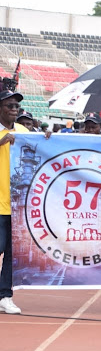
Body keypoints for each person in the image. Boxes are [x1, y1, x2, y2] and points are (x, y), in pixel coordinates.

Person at [0, 90, 28, 314]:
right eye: (10, 105)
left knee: (12, 253)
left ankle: (5, 295)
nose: (14, 110)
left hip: (17, 207)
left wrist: (47, 138)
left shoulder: (24, 131)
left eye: (16, 106)